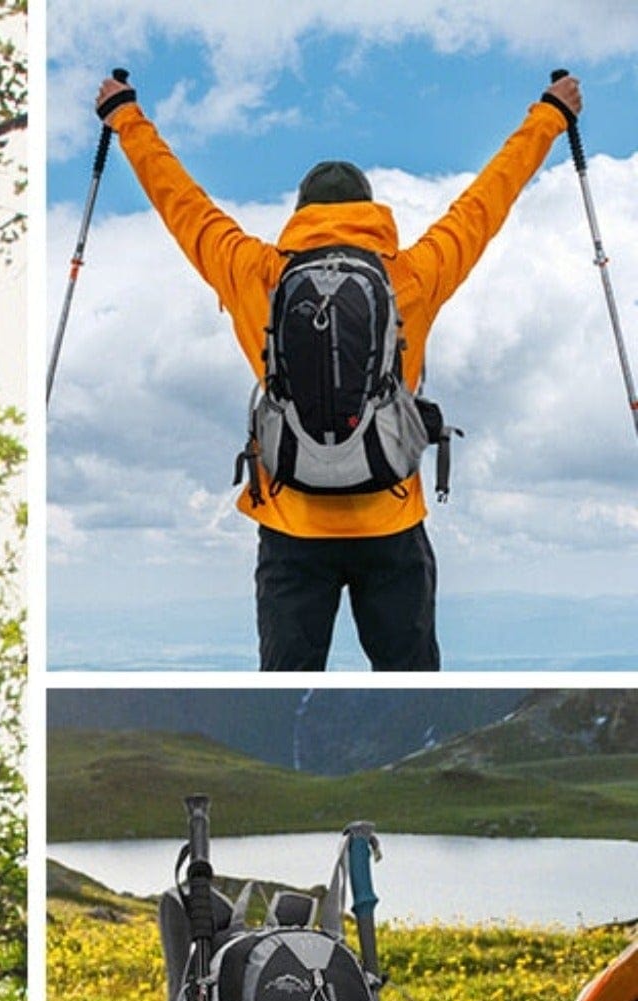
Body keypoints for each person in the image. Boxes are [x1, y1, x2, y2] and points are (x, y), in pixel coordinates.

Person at [94, 71, 581, 671]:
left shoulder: (256, 272)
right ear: (370, 213)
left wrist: (125, 117)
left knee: (284, 686)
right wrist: (550, 115)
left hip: (291, 525)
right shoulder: (412, 275)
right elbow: (487, 199)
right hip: (392, 516)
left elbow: (182, 202)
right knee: (410, 687)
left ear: (300, 215)